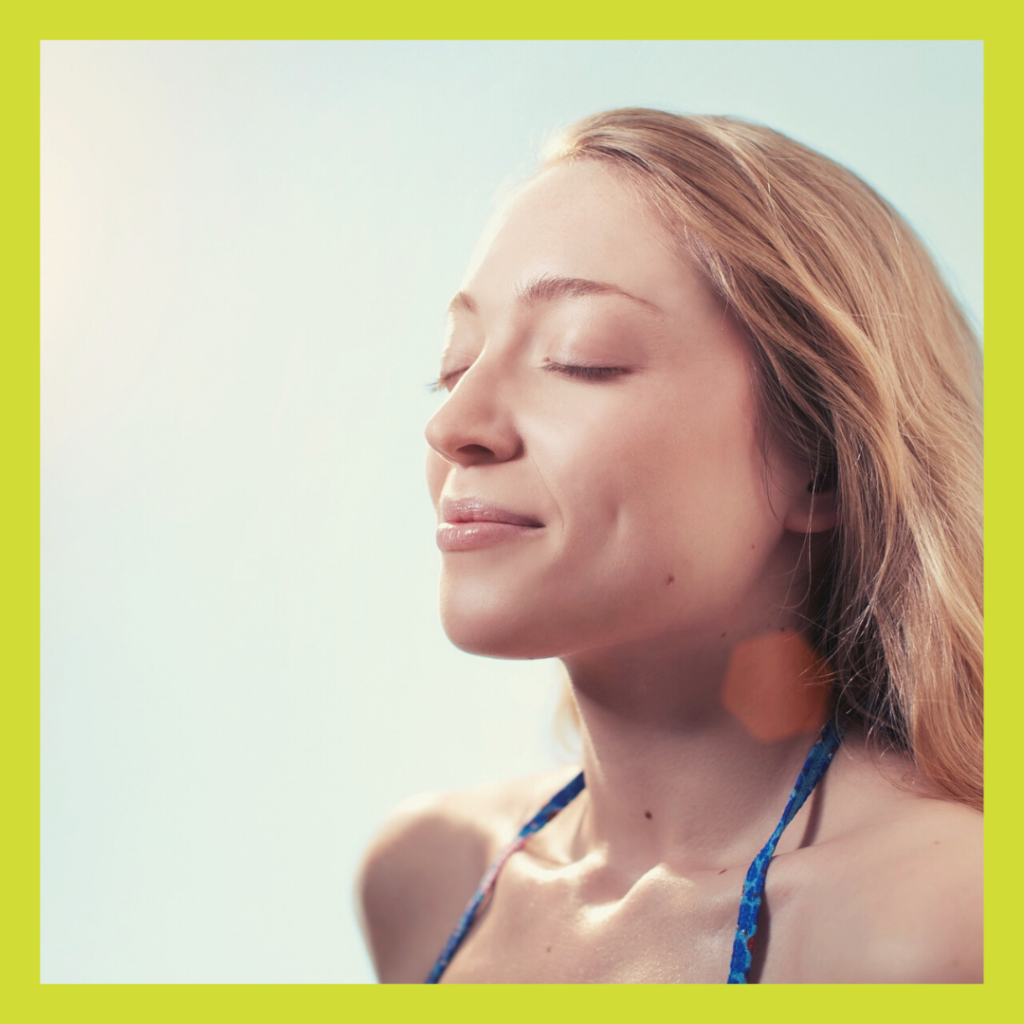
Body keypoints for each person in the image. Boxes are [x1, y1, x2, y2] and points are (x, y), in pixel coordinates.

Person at [355, 109, 983, 983]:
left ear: (822, 467)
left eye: (581, 357)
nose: (453, 423)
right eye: (455, 364)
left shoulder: (950, 918)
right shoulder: (421, 882)